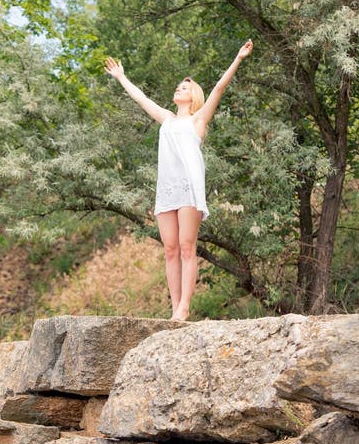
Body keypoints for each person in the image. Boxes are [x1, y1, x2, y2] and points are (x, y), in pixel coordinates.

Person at [105, 40, 253, 320]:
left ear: (193, 96)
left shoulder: (198, 120)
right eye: (177, 87)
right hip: (167, 191)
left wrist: (238, 57)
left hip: (189, 189)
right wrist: (122, 77)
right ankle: (174, 308)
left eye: (183, 88)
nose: (177, 89)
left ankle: (184, 308)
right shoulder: (167, 119)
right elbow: (142, 99)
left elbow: (219, 87)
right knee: (170, 250)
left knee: (187, 247)